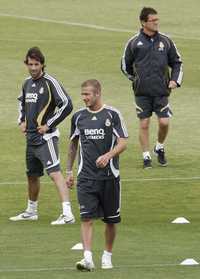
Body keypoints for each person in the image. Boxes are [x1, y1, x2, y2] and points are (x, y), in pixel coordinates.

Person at [66, 79, 128, 271]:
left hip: (110, 177)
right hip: (86, 177)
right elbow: (73, 144)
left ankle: (107, 256)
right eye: (82, 94)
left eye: (87, 94)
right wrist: (69, 171)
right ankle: (87, 258)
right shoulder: (78, 117)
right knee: (86, 218)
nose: (84, 98)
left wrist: (109, 156)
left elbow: (123, 142)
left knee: (111, 221)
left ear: (98, 93)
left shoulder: (112, 114)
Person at [9, 47, 75, 225]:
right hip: (30, 139)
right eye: (30, 64)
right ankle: (31, 211)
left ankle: (68, 214)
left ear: (42, 64)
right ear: (26, 64)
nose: (33, 68)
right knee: (32, 175)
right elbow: (21, 103)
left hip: (46, 139)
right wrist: (21, 121)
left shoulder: (50, 82)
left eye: (36, 64)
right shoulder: (26, 83)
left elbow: (67, 104)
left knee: (55, 173)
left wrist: (48, 125)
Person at [121, 7, 183, 168]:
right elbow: (124, 65)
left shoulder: (166, 41)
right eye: (153, 20)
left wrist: (175, 80)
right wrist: (136, 80)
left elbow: (177, 63)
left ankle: (159, 147)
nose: (156, 23)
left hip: (162, 91)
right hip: (142, 93)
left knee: (164, 122)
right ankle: (146, 156)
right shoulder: (134, 43)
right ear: (143, 22)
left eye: (157, 20)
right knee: (144, 124)